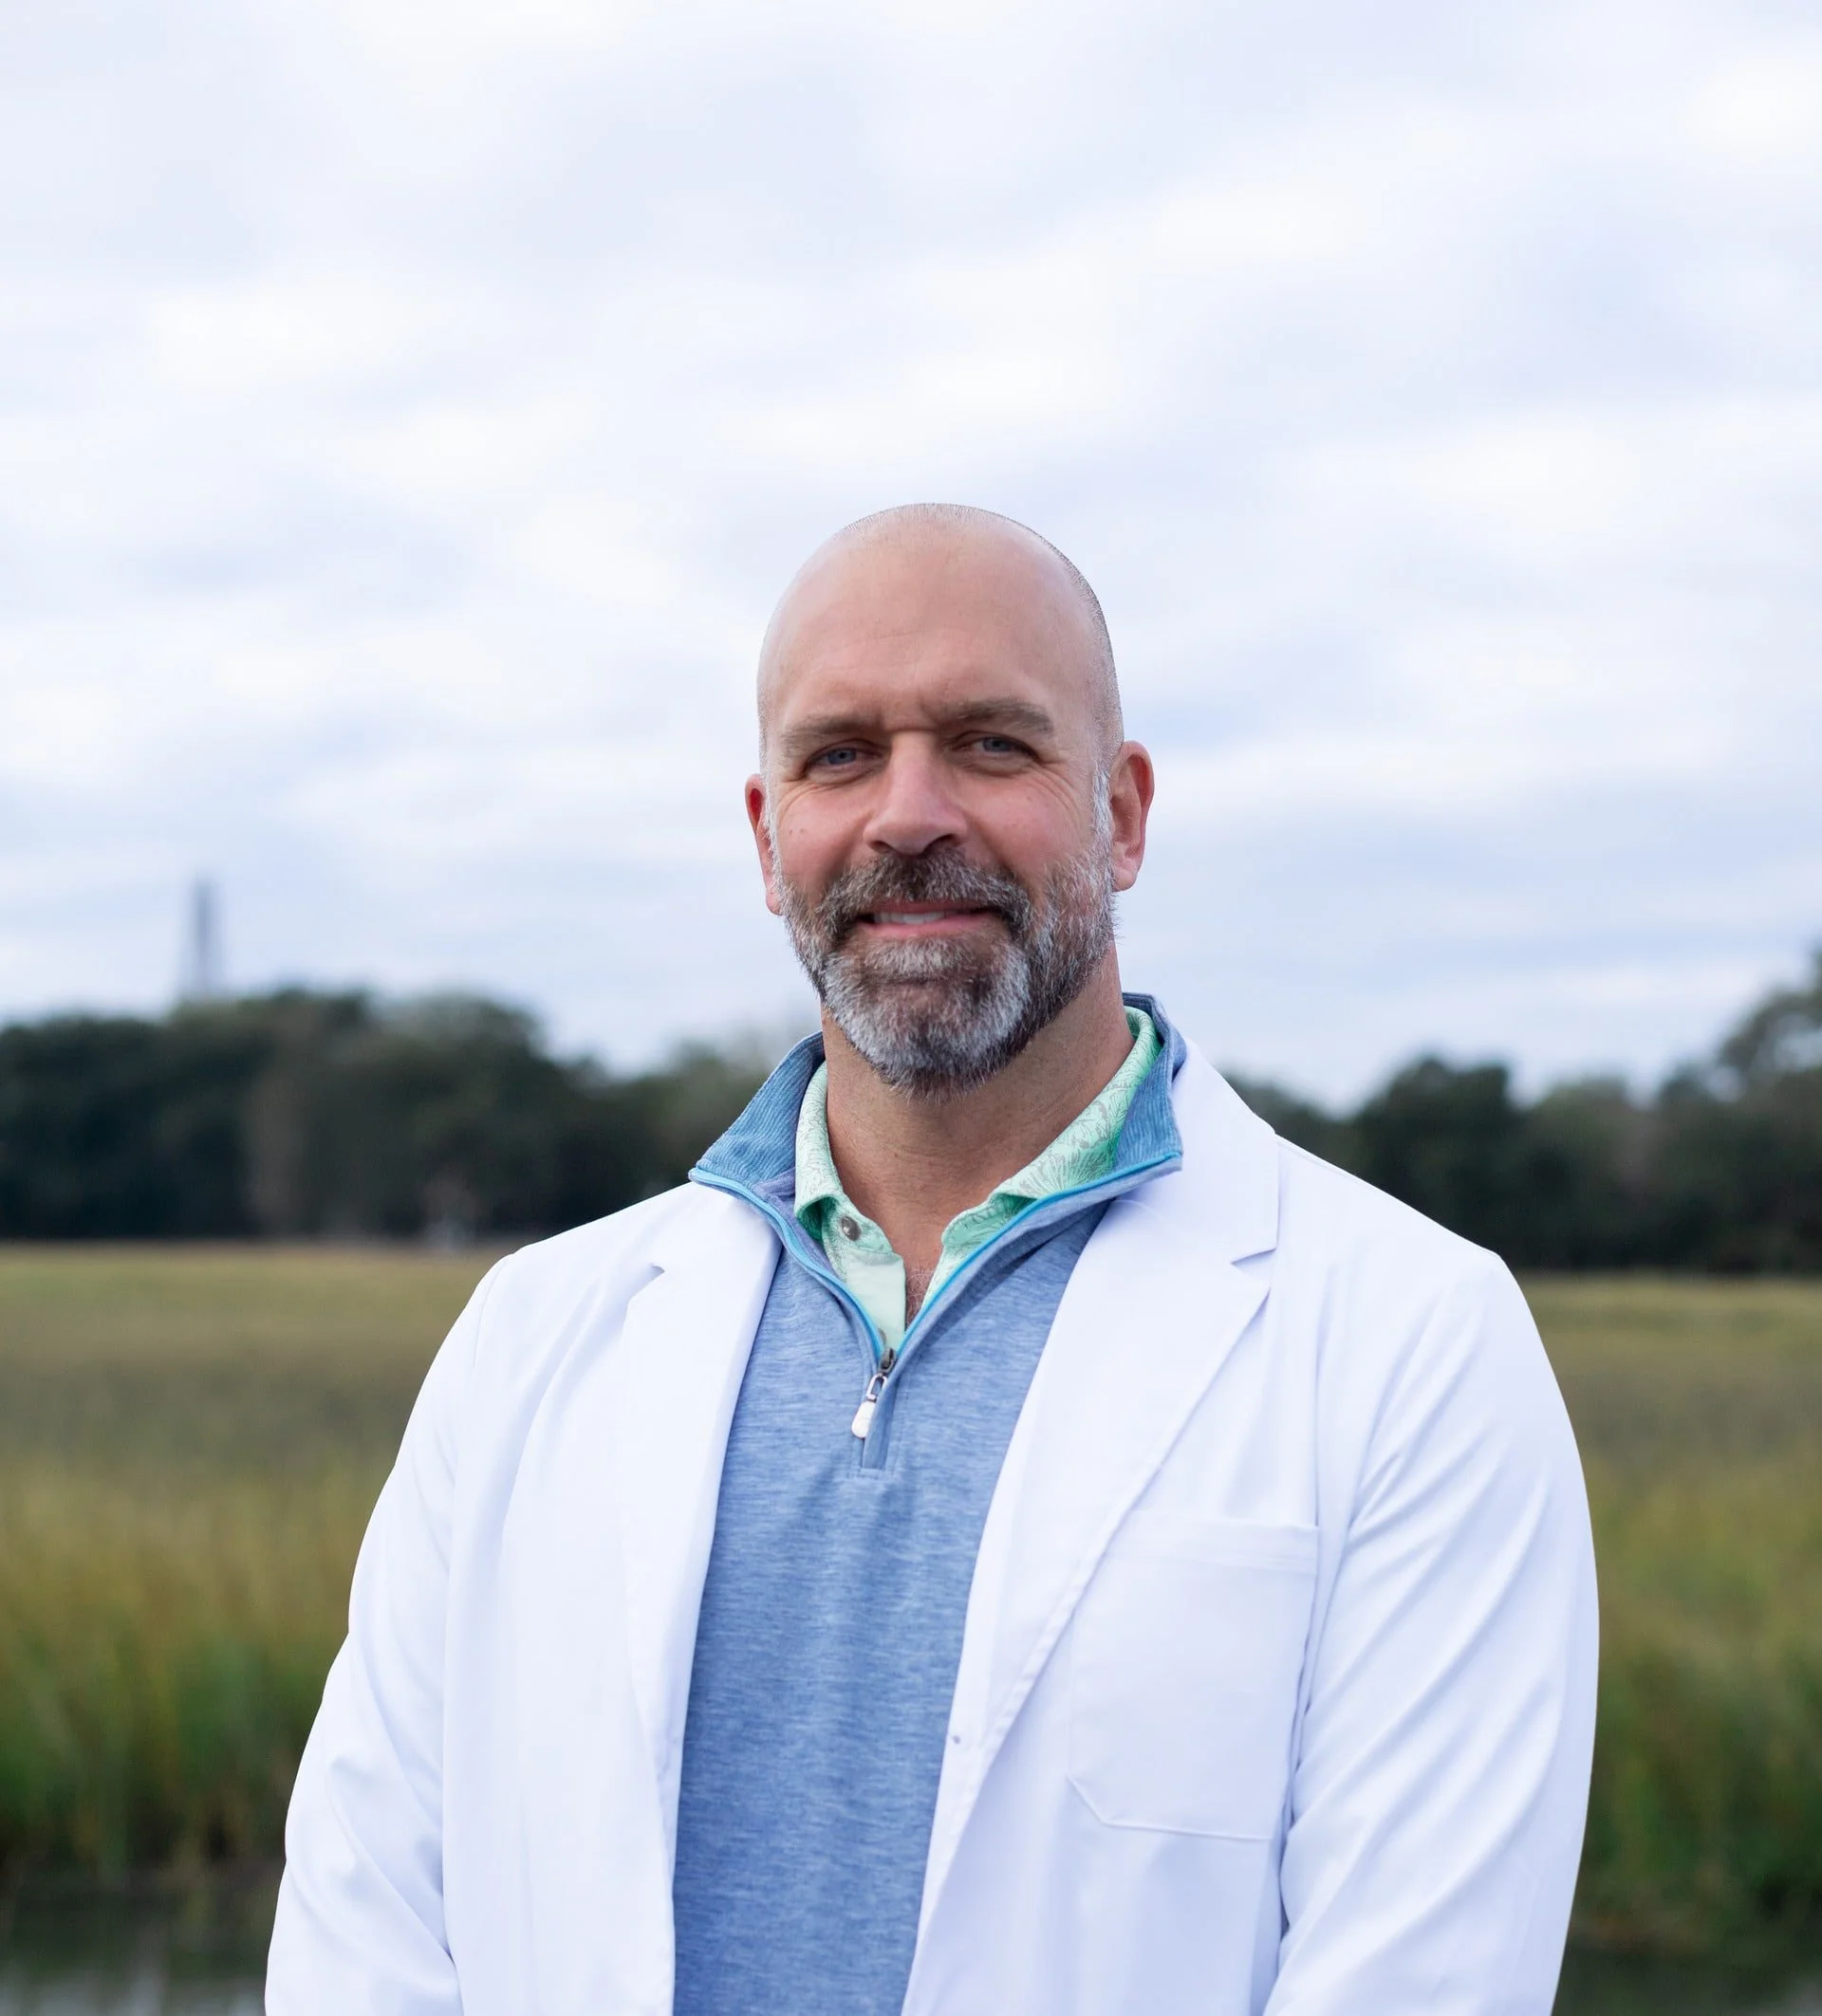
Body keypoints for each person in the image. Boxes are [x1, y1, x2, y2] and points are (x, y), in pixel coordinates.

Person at [268, 505, 1598, 2016]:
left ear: (1126, 815)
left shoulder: (1414, 1339)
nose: (909, 813)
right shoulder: (534, 1333)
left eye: (989, 743)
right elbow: (363, 1929)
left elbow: (1424, 1981)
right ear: (769, 839)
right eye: (839, 754)